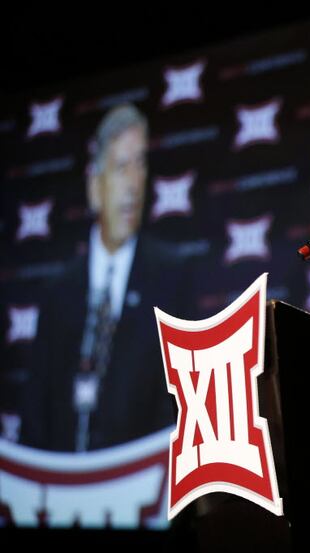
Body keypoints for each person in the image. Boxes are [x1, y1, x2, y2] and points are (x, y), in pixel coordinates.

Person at [22, 104, 191, 452]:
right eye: (120, 167)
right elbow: (35, 416)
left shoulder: (171, 276)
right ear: (95, 187)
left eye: (140, 165)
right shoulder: (58, 292)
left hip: (140, 488)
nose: (133, 183)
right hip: (61, 493)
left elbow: (180, 402)